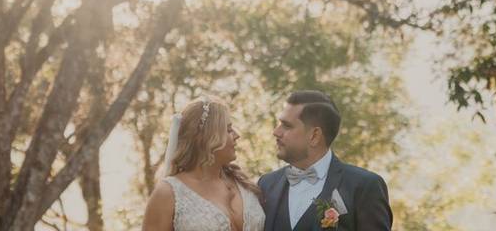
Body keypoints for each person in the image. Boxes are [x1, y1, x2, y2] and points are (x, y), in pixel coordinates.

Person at [258, 90, 393, 230]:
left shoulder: (364, 187)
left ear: (314, 136)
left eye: (286, 126)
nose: (276, 132)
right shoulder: (266, 184)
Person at [143, 97, 265, 231]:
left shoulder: (244, 184)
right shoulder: (168, 193)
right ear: (206, 137)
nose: (237, 135)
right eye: (229, 130)